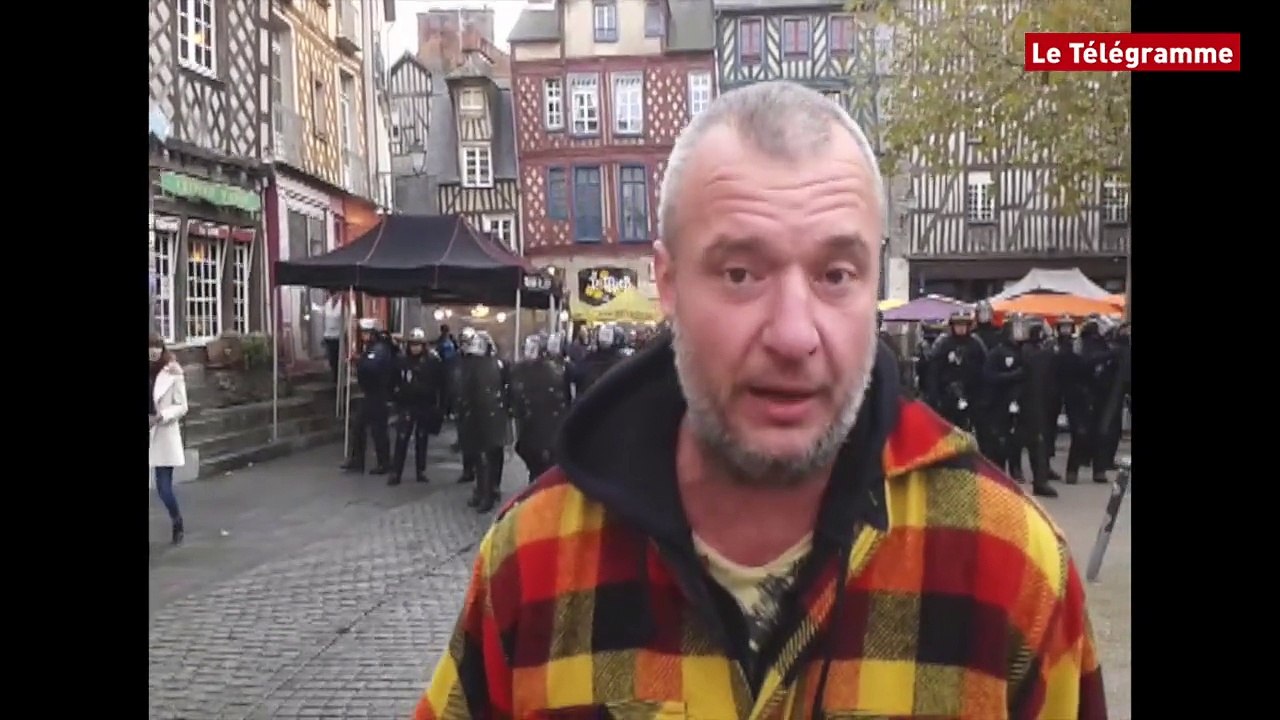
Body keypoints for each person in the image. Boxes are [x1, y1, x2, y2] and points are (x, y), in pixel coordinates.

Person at [413, 81, 1104, 719]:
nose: (794, 334)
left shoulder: (1009, 566)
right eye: (741, 273)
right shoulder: (532, 560)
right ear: (670, 283)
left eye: (836, 273)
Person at [389, 327, 445, 486]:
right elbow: (393, 380)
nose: (415, 347)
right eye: (412, 344)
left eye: (418, 344)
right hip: (406, 404)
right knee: (402, 438)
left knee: (422, 438)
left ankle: (421, 470)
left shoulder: (431, 361)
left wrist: (437, 404)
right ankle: (396, 472)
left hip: (424, 404)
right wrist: (396, 395)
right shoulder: (401, 360)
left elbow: (439, 383)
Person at [149, 332, 189, 545]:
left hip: (163, 433)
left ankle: (177, 520)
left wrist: (162, 416)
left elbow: (183, 406)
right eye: (150, 346)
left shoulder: (172, 372)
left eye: (157, 346)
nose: (153, 351)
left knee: (164, 488)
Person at [341, 318, 395, 475]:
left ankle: (384, 463)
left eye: (367, 332)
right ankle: (357, 460)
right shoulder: (370, 348)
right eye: (363, 332)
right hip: (369, 393)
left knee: (379, 431)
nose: (364, 335)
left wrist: (359, 361)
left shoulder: (380, 349)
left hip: (378, 394)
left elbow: (372, 367)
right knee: (358, 426)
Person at [320, 291, 344, 384]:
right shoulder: (327, 305)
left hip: (338, 336)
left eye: (337, 294)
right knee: (331, 357)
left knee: (337, 357)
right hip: (328, 335)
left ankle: (338, 377)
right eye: (334, 294)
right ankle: (334, 374)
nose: (336, 296)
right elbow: (324, 319)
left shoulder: (342, 305)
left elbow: (345, 320)